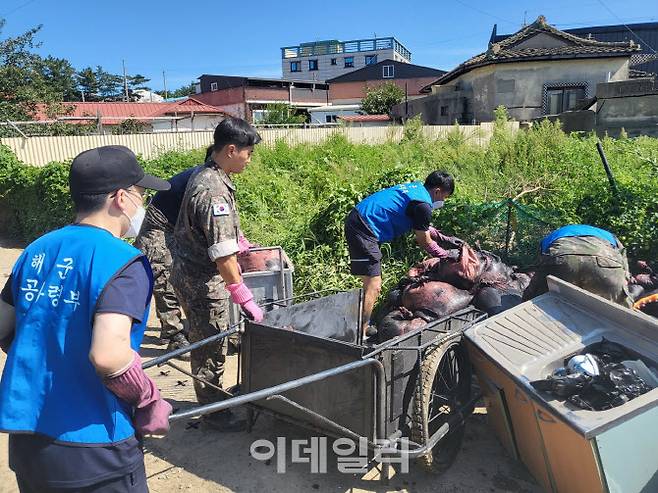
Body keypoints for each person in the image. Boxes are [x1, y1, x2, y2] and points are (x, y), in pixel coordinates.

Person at [0, 145, 173, 492]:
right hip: (95, 446)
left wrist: (51, 357)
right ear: (121, 198)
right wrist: (148, 398)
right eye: (141, 193)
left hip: (30, 442)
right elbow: (109, 356)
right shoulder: (122, 261)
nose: (143, 204)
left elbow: (4, 327)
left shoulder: (38, 249)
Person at [171, 117, 263, 432]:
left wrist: (237, 239)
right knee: (209, 346)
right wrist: (244, 296)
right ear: (231, 149)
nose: (250, 160)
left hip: (189, 272)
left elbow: (209, 232)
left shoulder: (207, 173)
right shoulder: (214, 192)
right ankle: (213, 412)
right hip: (202, 283)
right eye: (248, 153)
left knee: (208, 340)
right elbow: (223, 258)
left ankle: (214, 398)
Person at [344, 171, 463, 337]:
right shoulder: (423, 205)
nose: (443, 201)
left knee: (368, 281)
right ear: (437, 191)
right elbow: (424, 240)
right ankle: (362, 330)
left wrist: (445, 238)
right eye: (444, 196)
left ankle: (357, 320)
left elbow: (422, 225)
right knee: (374, 284)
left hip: (359, 219)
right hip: (364, 228)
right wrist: (444, 256)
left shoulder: (416, 189)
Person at [524, 224, 632, 306]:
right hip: (607, 261)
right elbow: (625, 272)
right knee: (619, 313)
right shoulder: (611, 237)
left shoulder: (552, 236)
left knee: (535, 302)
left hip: (562, 255)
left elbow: (541, 264)